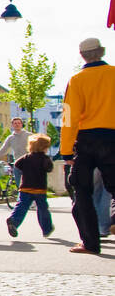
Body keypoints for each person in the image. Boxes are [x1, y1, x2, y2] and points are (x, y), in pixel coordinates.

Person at [60, 37, 115, 254]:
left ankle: (90, 243)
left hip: (87, 140)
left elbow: (69, 118)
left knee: (82, 191)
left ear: (82, 55)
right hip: (113, 138)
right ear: (101, 51)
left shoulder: (77, 80)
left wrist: (65, 151)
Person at [5, 134, 55, 239]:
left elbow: (17, 165)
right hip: (39, 189)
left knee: (22, 206)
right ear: (44, 148)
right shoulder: (45, 158)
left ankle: (13, 221)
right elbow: (49, 168)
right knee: (42, 209)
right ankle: (47, 229)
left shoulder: (26, 157)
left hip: (25, 187)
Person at [0, 116, 29, 187]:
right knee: (19, 185)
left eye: (19, 123)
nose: (17, 125)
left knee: (28, 184)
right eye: (15, 123)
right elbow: (3, 149)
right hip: (17, 163)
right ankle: (20, 197)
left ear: (21, 124)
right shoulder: (11, 138)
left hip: (28, 163)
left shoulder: (28, 135)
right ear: (12, 125)